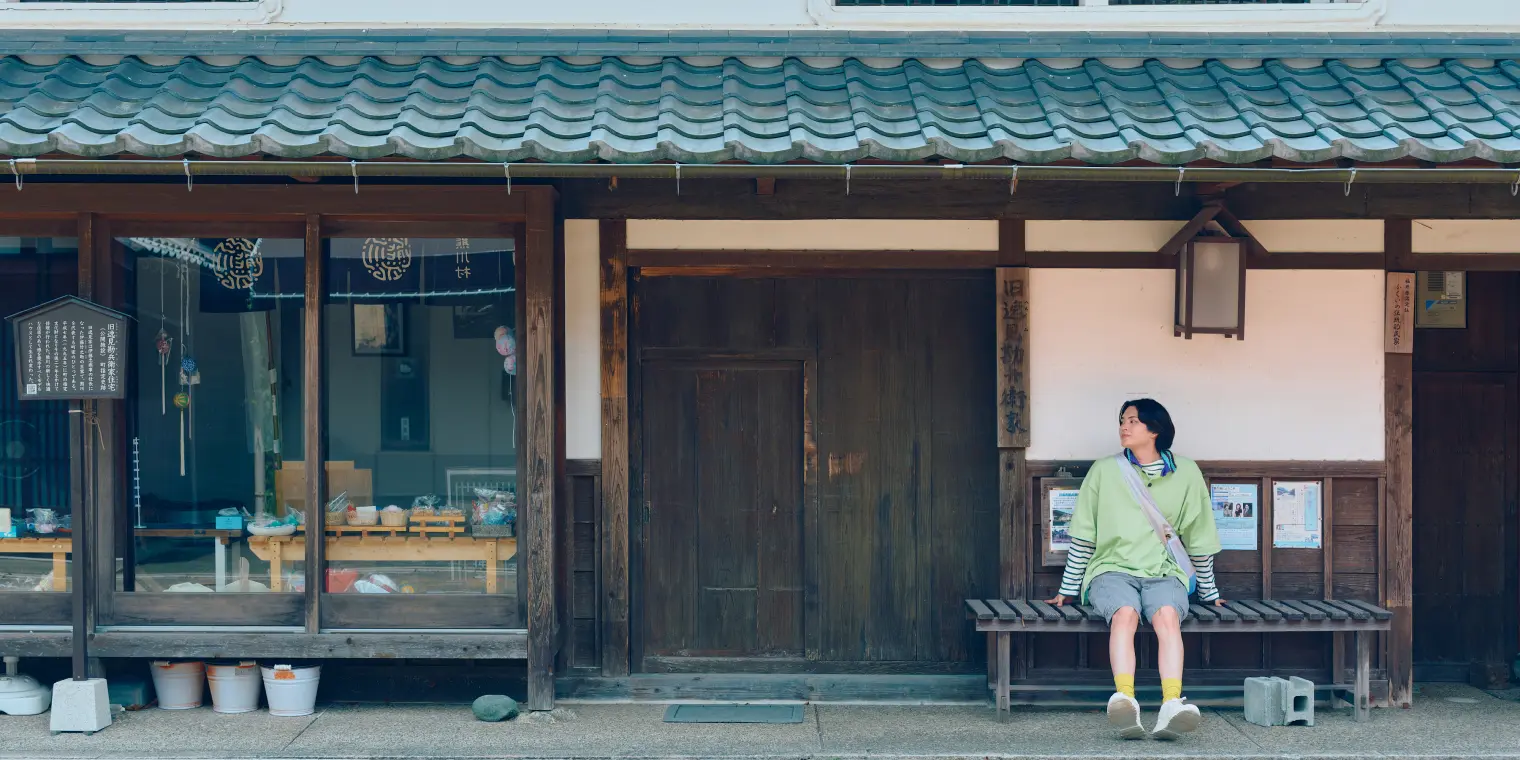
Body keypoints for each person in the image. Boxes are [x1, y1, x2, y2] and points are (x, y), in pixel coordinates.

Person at [1045, 399, 1223, 740]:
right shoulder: (1104, 470)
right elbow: (1083, 534)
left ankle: (1172, 703)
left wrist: (1210, 591)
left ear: (1154, 429)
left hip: (1164, 569)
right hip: (1110, 569)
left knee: (1167, 615)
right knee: (1124, 614)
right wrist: (1068, 589)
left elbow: (1198, 537)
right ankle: (1125, 697)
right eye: (1122, 420)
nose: (1124, 427)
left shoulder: (1186, 472)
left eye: (1133, 421)